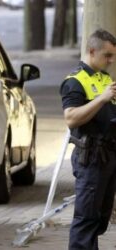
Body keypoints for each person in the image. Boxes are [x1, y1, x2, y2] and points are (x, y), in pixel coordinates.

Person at [60, 28, 116, 250]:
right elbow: (71, 118)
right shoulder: (74, 81)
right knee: (86, 220)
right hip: (91, 158)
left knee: (101, 218)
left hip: (109, 156)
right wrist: (102, 99)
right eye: (107, 55)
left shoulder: (104, 78)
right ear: (92, 51)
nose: (111, 60)